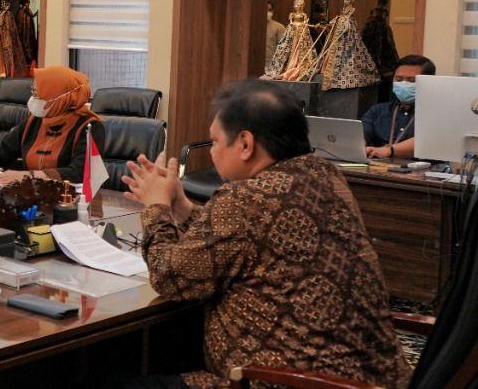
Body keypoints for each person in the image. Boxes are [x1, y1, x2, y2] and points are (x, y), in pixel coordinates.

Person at [121, 80, 408, 389]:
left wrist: (157, 207)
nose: (213, 153)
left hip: (289, 381)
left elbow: (169, 276)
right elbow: (249, 240)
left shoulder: (246, 197)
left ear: (245, 144)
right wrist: (185, 210)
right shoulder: (327, 176)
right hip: (371, 379)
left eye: (215, 142)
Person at [0, 65, 105, 185]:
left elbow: (80, 173)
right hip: (31, 195)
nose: (33, 99)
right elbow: (3, 151)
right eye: (33, 92)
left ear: (59, 99)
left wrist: (31, 176)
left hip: (72, 202)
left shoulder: (89, 127)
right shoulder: (35, 121)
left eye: (38, 94)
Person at [362, 54, 434, 160]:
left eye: (411, 81)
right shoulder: (377, 111)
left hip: (424, 173)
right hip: (380, 170)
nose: (404, 84)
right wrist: (359, 147)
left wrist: (389, 151)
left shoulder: (437, 114)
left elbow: (428, 141)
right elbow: (359, 136)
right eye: (399, 79)